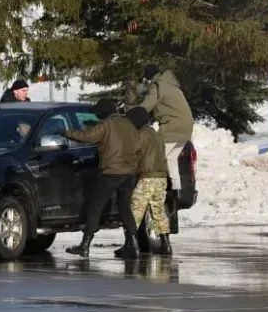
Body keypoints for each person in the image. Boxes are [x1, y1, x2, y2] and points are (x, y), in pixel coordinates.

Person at [62, 99, 139, 259]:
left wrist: (66, 133)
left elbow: (87, 136)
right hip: (129, 174)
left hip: (111, 173)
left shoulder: (107, 124)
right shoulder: (129, 125)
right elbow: (137, 145)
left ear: (103, 113)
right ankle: (133, 244)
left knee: (95, 207)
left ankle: (85, 245)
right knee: (125, 208)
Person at [125, 65, 193, 204]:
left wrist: (129, 116)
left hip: (172, 127)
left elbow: (145, 107)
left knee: (159, 159)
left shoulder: (158, 86)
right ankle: (176, 192)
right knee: (171, 159)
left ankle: (159, 194)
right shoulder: (171, 83)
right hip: (186, 127)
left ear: (150, 77)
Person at [126, 106, 172, 256]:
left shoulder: (140, 135)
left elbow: (131, 151)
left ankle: (131, 246)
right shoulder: (157, 135)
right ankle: (166, 244)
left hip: (147, 178)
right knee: (158, 211)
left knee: (135, 212)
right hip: (161, 177)